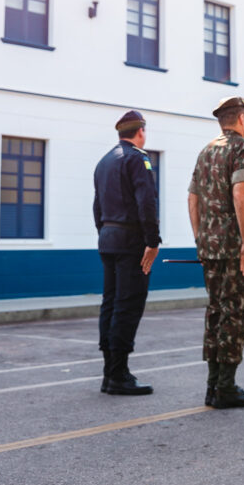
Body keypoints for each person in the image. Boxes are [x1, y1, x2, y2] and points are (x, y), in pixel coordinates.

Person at [187, 96, 244, 409]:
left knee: (216, 312)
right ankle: (226, 388)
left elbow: (192, 199)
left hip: (210, 246)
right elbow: (240, 193)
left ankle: (213, 386)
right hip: (234, 247)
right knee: (237, 313)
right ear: (242, 119)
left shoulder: (206, 152)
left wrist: (201, 238)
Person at [92, 110, 160, 396]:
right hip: (131, 240)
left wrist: (104, 233)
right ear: (140, 132)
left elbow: (97, 207)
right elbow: (146, 200)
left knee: (110, 304)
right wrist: (152, 240)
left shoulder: (104, 161)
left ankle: (110, 372)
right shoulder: (138, 158)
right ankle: (118, 374)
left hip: (108, 238)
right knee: (128, 305)